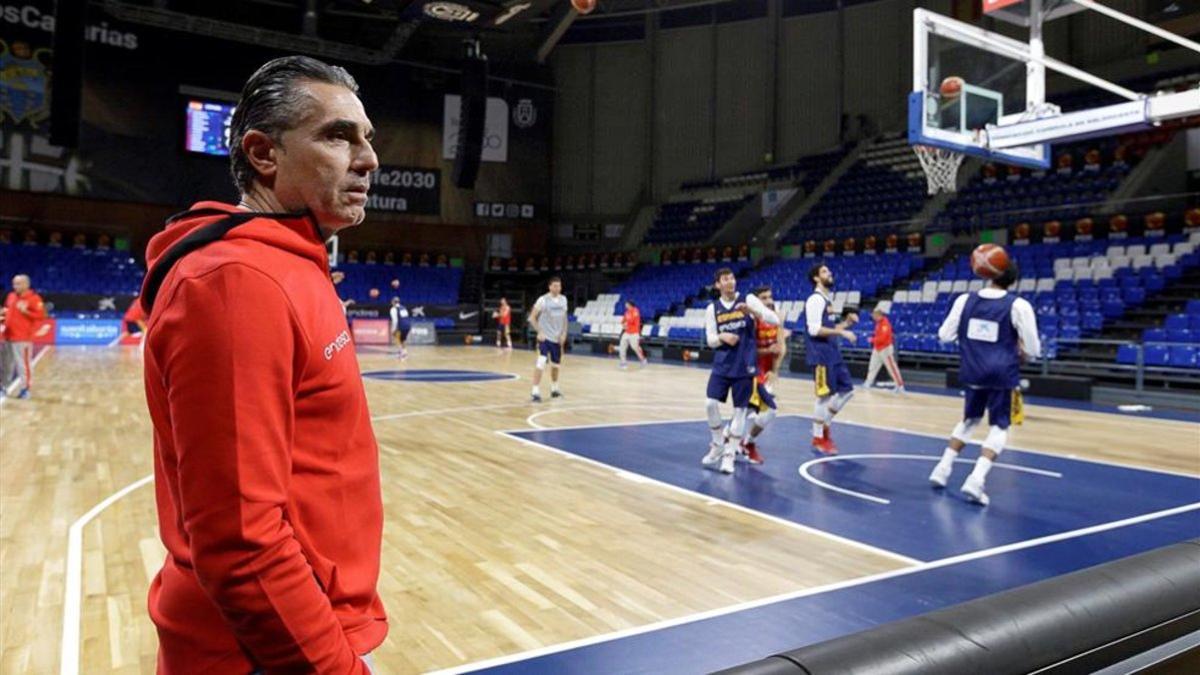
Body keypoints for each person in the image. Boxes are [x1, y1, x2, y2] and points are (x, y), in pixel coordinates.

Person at [139, 56, 385, 673]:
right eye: (338, 135)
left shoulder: (291, 263)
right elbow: (242, 545)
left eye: (367, 138)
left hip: (306, 631)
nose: (369, 158)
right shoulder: (234, 282)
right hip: (265, 654)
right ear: (262, 154)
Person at [928, 260, 1039, 506]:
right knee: (1000, 427)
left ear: (988, 274)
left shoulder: (964, 301)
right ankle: (976, 479)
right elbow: (1032, 348)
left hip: (972, 370)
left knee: (969, 420)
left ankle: (942, 469)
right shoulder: (1019, 305)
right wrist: (1022, 354)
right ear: (1013, 280)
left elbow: (944, 336)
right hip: (1002, 373)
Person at [701, 268, 780, 474]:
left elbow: (775, 320)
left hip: (744, 364)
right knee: (710, 404)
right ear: (718, 284)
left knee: (740, 412)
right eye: (725, 279)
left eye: (732, 278)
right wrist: (722, 338)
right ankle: (718, 444)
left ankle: (729, 456)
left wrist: (753, 312)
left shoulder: (748, 299)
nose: (730, 282)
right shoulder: (713, 308)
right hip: (722, 363)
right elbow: (710, 339)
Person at [804, 263, 857, 455]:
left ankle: (824, 425)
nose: (830, 273)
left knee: (847, 391)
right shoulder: (815, 300)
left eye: (829, 270)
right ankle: (818, 438)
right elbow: (814, 329)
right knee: (824, 396)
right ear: (816, 278)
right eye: (825, 271)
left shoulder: (827, 299)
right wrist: (842, 333)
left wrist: (846, 324)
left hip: (832, 352)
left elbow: (829, 328)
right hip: (821, 355)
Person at [3, 274, 46, 399]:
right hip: (7, 336)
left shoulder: (34, 298)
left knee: (23, 364)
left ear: (26, 284)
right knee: (6, 364)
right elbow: (7, 311)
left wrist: (25, 311)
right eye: (14, 283)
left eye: (18, 284)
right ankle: (4, 387)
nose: (14, 286)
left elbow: (41, 316)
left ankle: (25, 389)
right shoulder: (10, 296)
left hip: (23, 337)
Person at [528, 277, 568, 402]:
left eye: (559, 286)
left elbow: (565, 319)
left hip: (557, 339)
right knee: (541, 362)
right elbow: (532, 317)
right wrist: (539, 331)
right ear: (550, 287)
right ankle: (535, 390)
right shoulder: (543, 300)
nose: (557, 288)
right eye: (555, 286)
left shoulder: (563, 300)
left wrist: (564, 334)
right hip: (545, 338)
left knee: (556, 365)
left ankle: (554, 389)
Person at [863, 305, 905, 393]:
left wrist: (872, 339)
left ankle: (900, 386)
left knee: (891, 368)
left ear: (879, 315)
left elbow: (883, 338)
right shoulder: (878, 324)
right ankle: (868, 382)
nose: (873, 317)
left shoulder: (885, 324)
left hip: (885, 349)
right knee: (873, 366)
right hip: (877, 348)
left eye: (874, 315)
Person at [618, 299, 648, 369]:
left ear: (629, 304)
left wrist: (626, 323)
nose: (625, 305)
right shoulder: (626, 312)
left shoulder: (635, 311)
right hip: (627, 332)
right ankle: (623, 363)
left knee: (635, 347)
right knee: (622, 347)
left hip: (634, 333)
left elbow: (632, 321)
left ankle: (643, 360)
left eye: (626, 304)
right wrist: (623, 325)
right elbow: (623, 321)